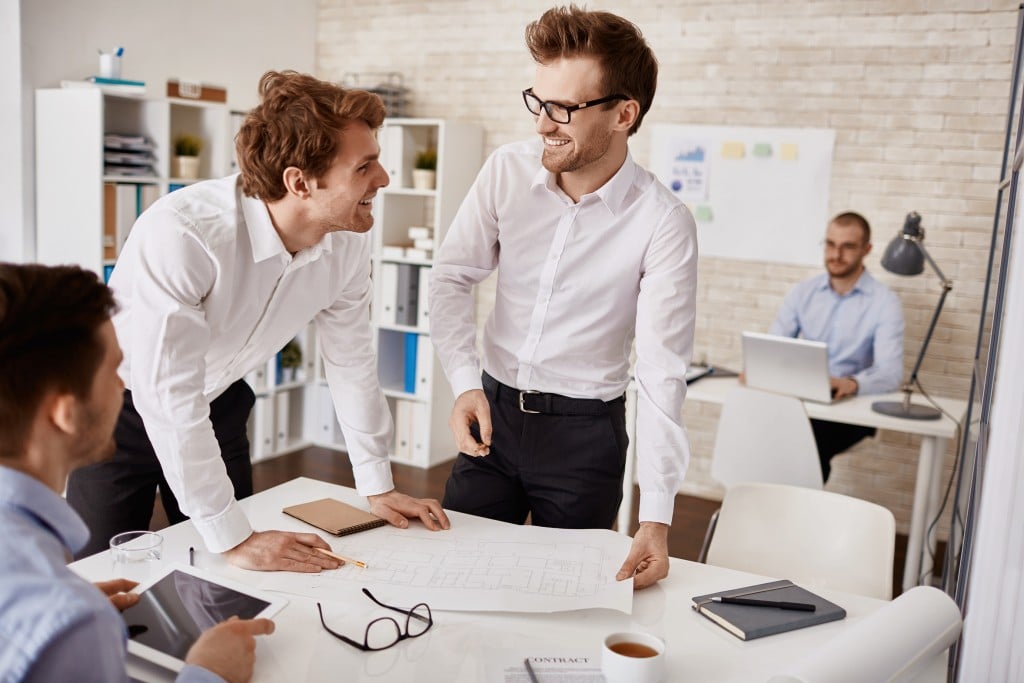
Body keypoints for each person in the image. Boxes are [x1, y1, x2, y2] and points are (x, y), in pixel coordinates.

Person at [67, 70, 449, 565]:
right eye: (365, 166)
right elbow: (169, 395)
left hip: (219, 400)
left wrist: (376, 484)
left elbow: (351, 359)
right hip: (116, 412)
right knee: (102, 574)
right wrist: (232, 536)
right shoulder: (185, 235)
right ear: (300, 182)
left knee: (233, 577)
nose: (383, 179)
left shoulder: (349, 239)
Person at [429, 6, 698, 590]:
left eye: (565, 110)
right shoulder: (506, 170)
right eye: (539, 101)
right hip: (491, 419)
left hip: (585, 438)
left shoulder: (663, 222)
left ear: (625, 114)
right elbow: (451, 276)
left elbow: (661, 372)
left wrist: (655, 516)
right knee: (451, 579)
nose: (542, 124)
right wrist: (464, 384)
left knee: (566, 599)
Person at [0, 262, 274, 683]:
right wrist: (209, 671)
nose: (127, 384)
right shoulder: (67, 619)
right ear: (66, 412)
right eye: (116, 371)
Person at [769, 211, 904, 481]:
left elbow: (891, 372)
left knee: (806, 445)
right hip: (800, 399)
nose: (836, 254)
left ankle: (796, 513)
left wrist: (851, 383)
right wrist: (761, 368)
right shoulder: (803, 293)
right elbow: (774, 346)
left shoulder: (884, 303)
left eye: (848, 246)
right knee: (763, 430)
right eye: (830, 244)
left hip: (847, 408)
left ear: (867, 249)